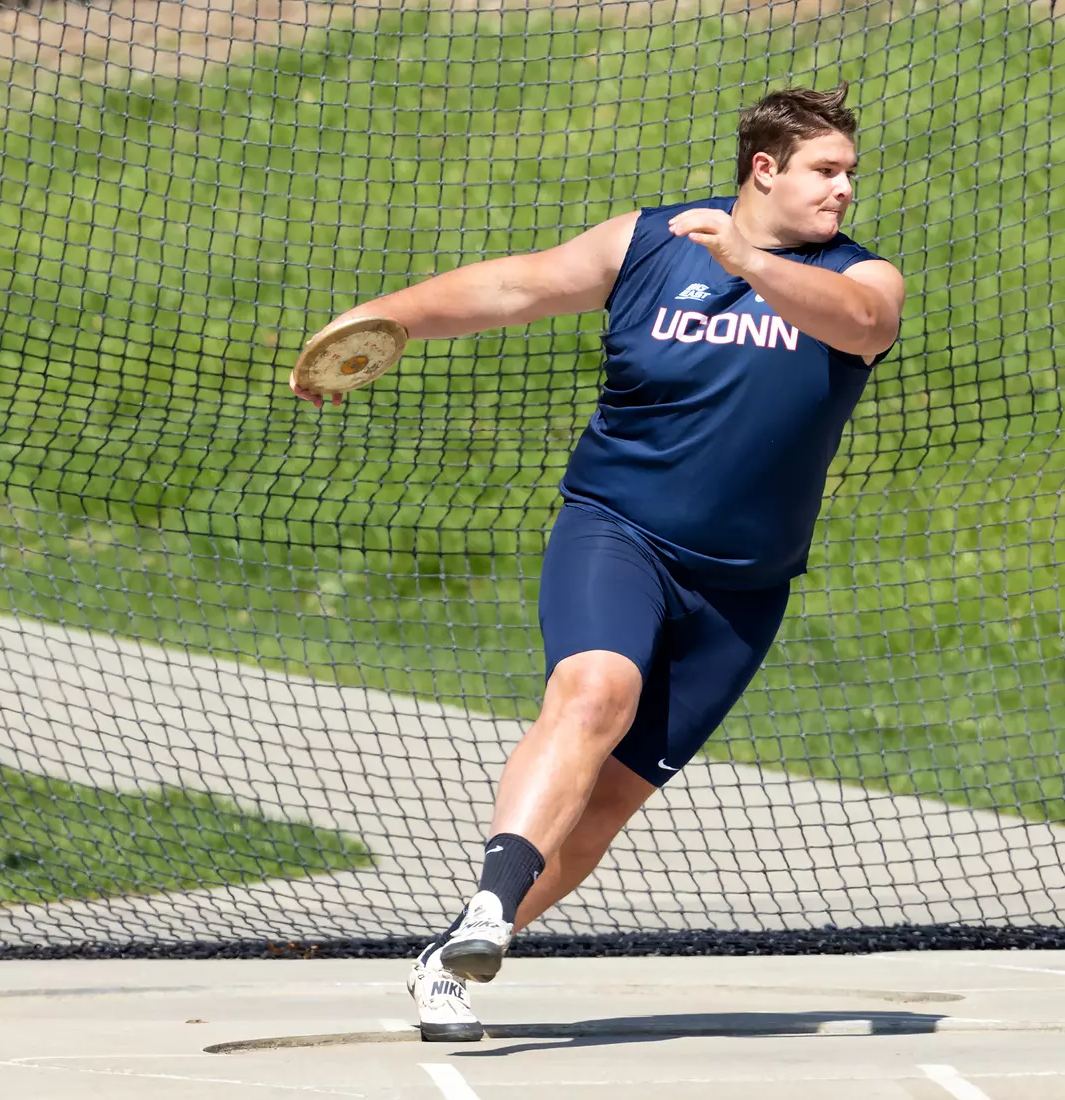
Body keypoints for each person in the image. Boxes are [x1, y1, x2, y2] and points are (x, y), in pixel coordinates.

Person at [289, 81, 904, 1041]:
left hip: (743, 584)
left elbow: (861, 325)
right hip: (619, 528)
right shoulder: (649, 243)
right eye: (825, 171)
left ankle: (451, 954)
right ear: (765, 169)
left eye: (849, 174)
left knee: (608, 803)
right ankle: (492, 905)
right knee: (593, 691)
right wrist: (384, 316)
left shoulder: (862, 276)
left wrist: (750, 262)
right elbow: (515, 287)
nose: (844, 190)